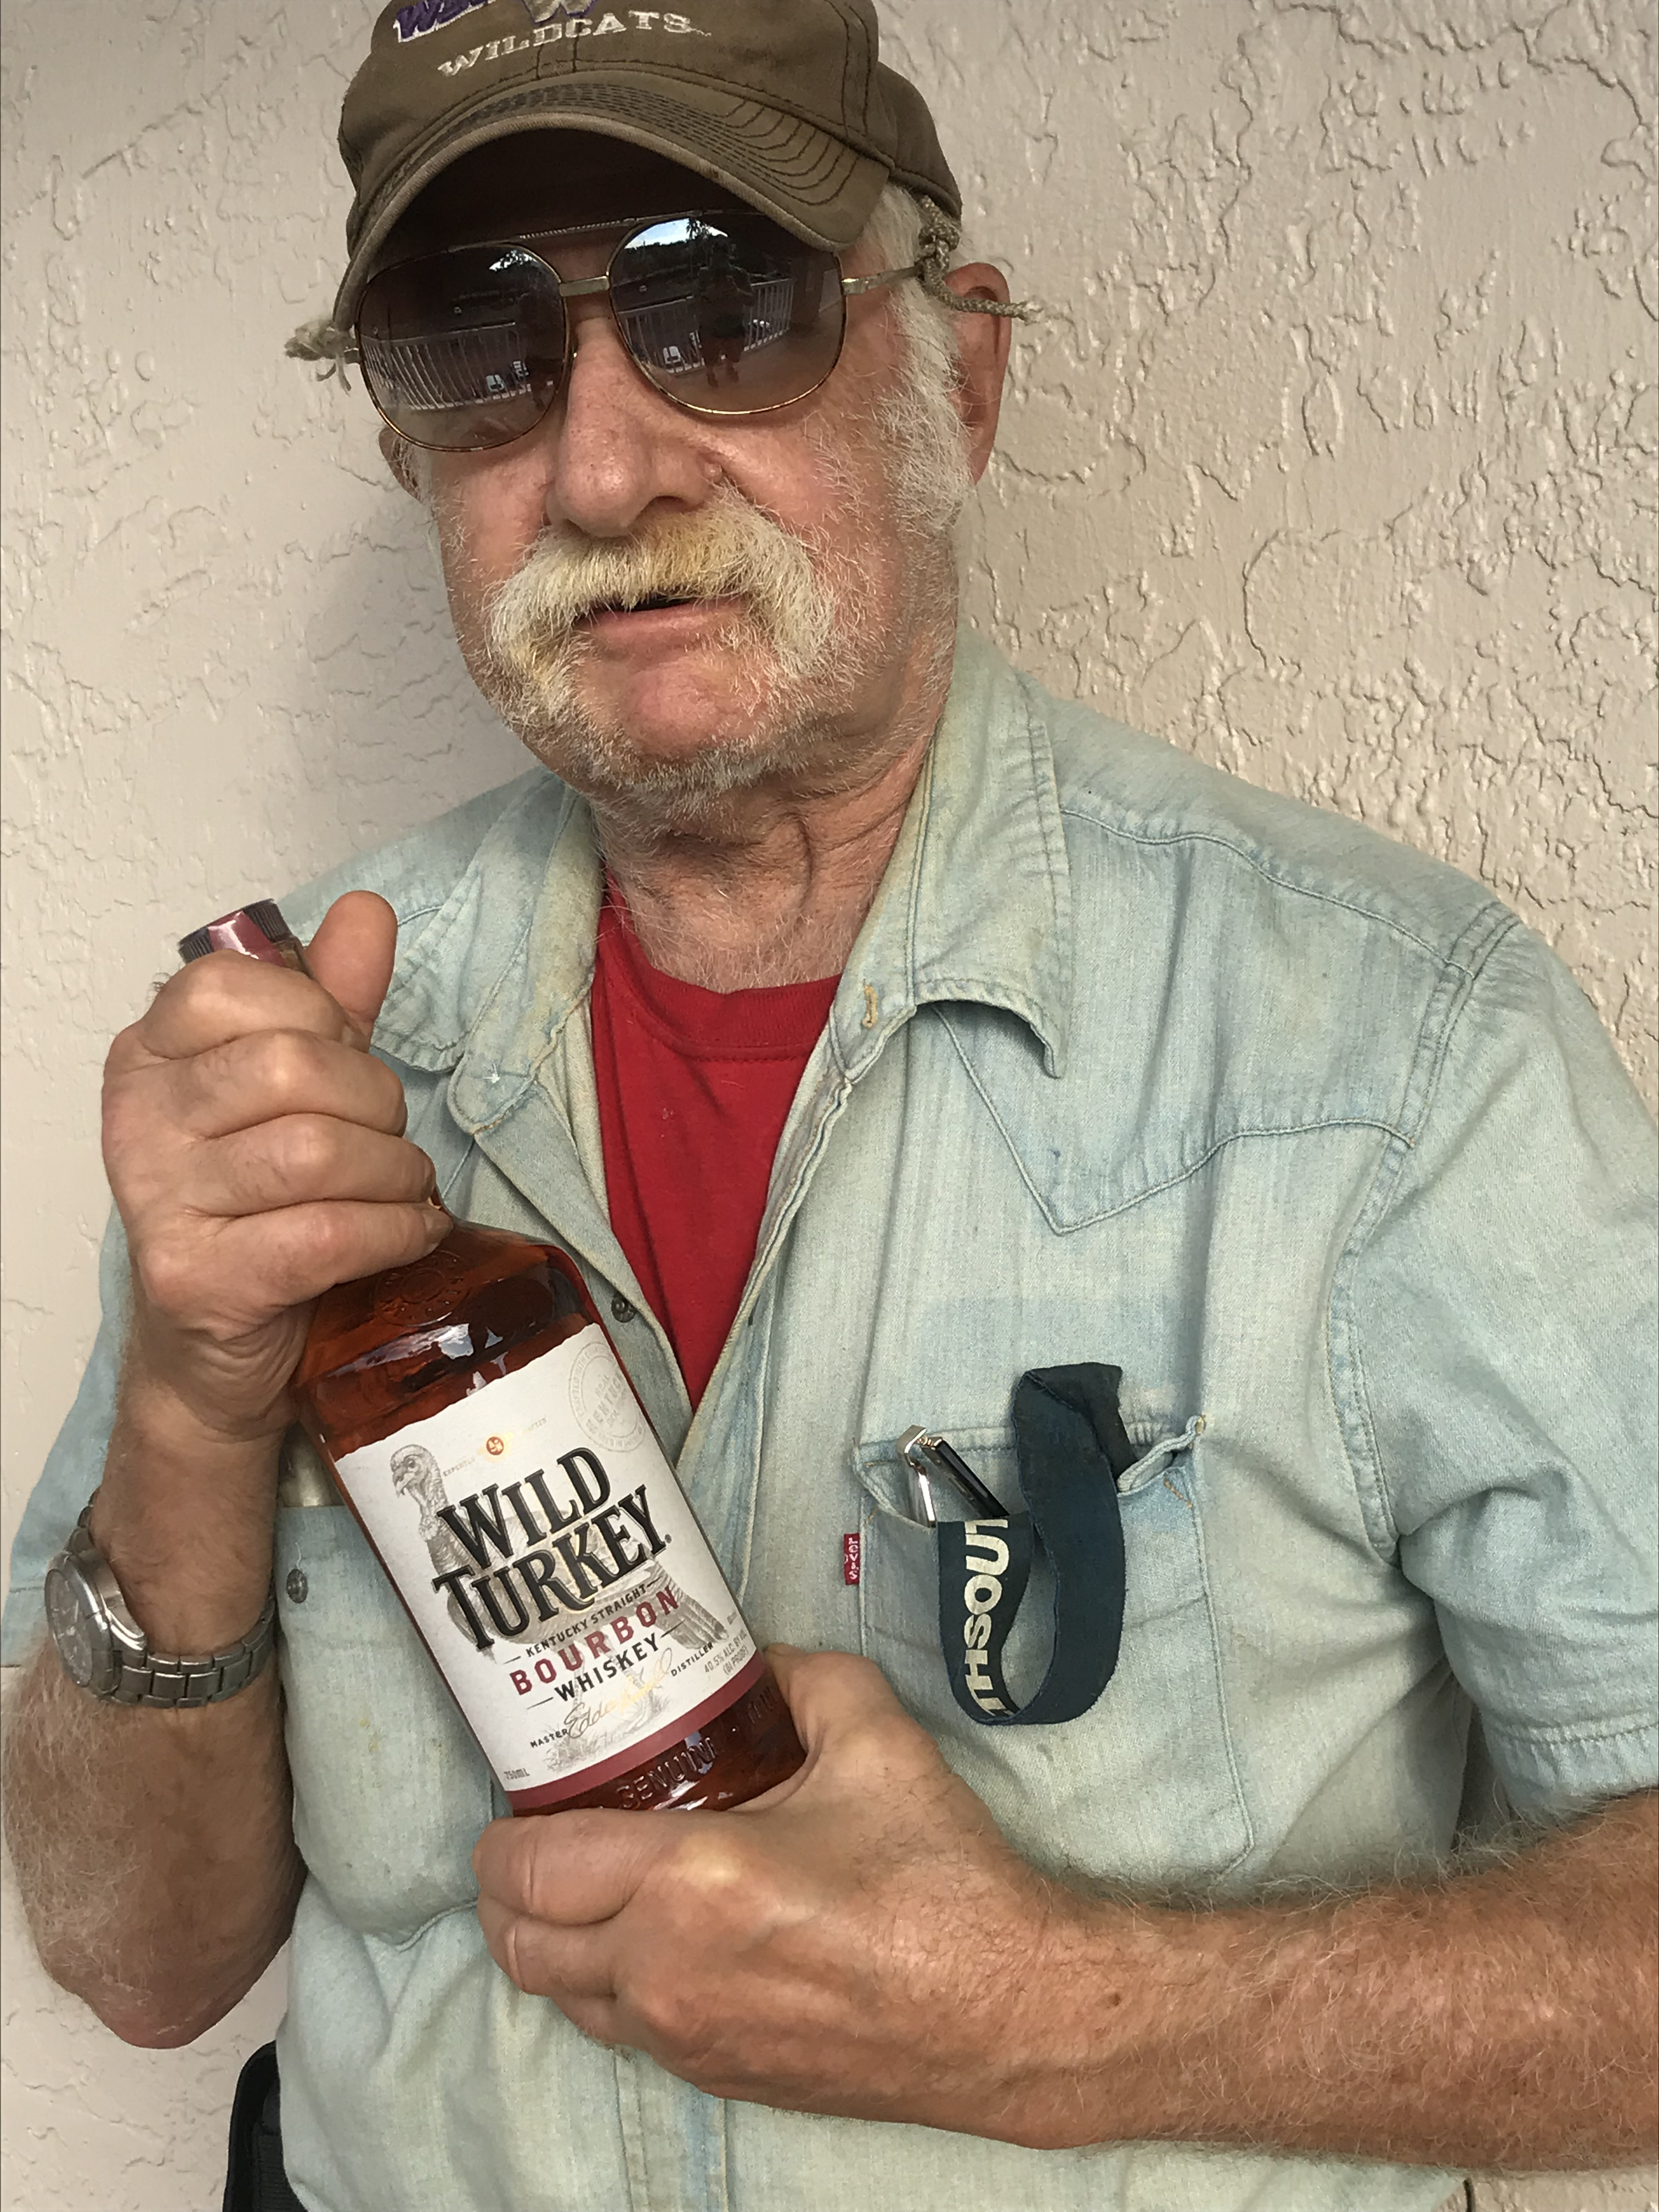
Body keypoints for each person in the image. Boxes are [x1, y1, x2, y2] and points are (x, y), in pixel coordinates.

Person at [4, 3, 1655, 2210]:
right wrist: (193, 1412)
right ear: (414, 457)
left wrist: (1062, 2016)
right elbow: (132, 1956)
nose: (605, 472)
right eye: (479, 351)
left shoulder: (1392, 1049)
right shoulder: (285, 1067)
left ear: (960, 376)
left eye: (723, 307)